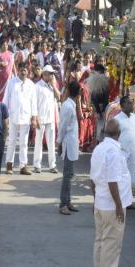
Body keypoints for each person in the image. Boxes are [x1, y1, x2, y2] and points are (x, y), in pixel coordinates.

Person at [90, 119, 132, 267]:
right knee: (112, 245)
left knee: (101, 241)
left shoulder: (99, 148)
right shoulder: (113, 151)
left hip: (101, 203)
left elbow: (92, 179)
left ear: (104, 132)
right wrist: (119, 206)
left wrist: (95, 200)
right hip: (112, 206)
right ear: (119, 134)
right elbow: (112, 182)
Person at [3, 62, 37, 175]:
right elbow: (6, 99)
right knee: (11, 141)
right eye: (21, 70)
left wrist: (34, 117)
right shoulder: (12, 82)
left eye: (25, 70)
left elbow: (34, 103)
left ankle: (23, 166)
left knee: (24, 143)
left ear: (28, 71)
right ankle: (9, 164)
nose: (23, 72)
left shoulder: (31, 85)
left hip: (26, 117)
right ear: (18, 70)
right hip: (13, 116)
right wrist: (5, 115)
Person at [57, 81, 80, 215]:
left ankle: (67, 200)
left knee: (69, 174)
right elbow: (62, 127)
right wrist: (59, 143)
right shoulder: (67, 106)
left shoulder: (71, 105)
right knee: (67, 175)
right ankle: (63, 204)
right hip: (67, 143)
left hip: (72, 143)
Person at [33, 65, 60, 174]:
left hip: (51, 118)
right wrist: (36, 117)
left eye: (52, 74)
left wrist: (54, 85)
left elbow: (59, 97)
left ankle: (52, 165)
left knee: (51, 143)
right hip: (41, 117)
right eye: (50, 74)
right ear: (44, 74)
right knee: (38, 142)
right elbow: (34, 103)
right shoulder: (37, 86)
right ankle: (37, 165)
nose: (52, 75)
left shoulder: (52, 85)